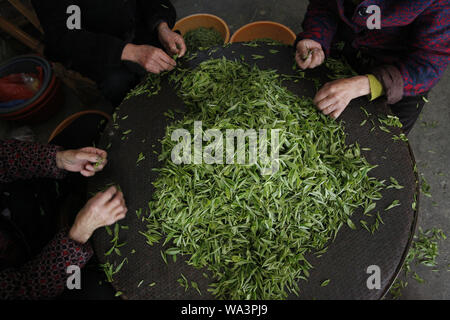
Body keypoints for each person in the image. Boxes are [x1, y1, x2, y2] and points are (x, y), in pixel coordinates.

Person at [295, 0, 449, 134]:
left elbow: (428, 65)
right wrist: (316, 36)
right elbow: (324, 6)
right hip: (344, 52)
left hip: (398, 79)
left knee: (374, 146)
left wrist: (362, 85)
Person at [0, 139, 128, 299]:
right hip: (45, 273)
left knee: (90, 136)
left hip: (20, 204)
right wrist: (80, 232)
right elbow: (27, 291)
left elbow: (4, 157)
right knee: (103, 290)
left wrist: (58, 159)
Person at [32, 0, 187, 107]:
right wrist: (130, 52)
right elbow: (65, 37)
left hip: (137, 25)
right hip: (97, 51)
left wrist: (161, 25)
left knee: (175, 66)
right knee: (119, 85)